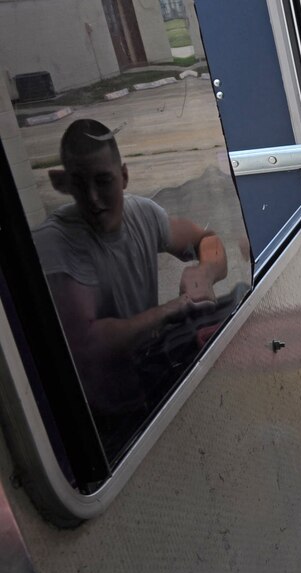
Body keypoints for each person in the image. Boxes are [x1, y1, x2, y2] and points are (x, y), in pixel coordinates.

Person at [32, 118, 228, 438]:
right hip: (100, 422)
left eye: (103, 181)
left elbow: (207, 240)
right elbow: (87, 343)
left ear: (123, 176)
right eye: (80, 184)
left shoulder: (143, 214)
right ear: (63, 183)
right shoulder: (55, 243)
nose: (94, 199)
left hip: (151, 389)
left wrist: (203, 273)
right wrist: (169, 310)